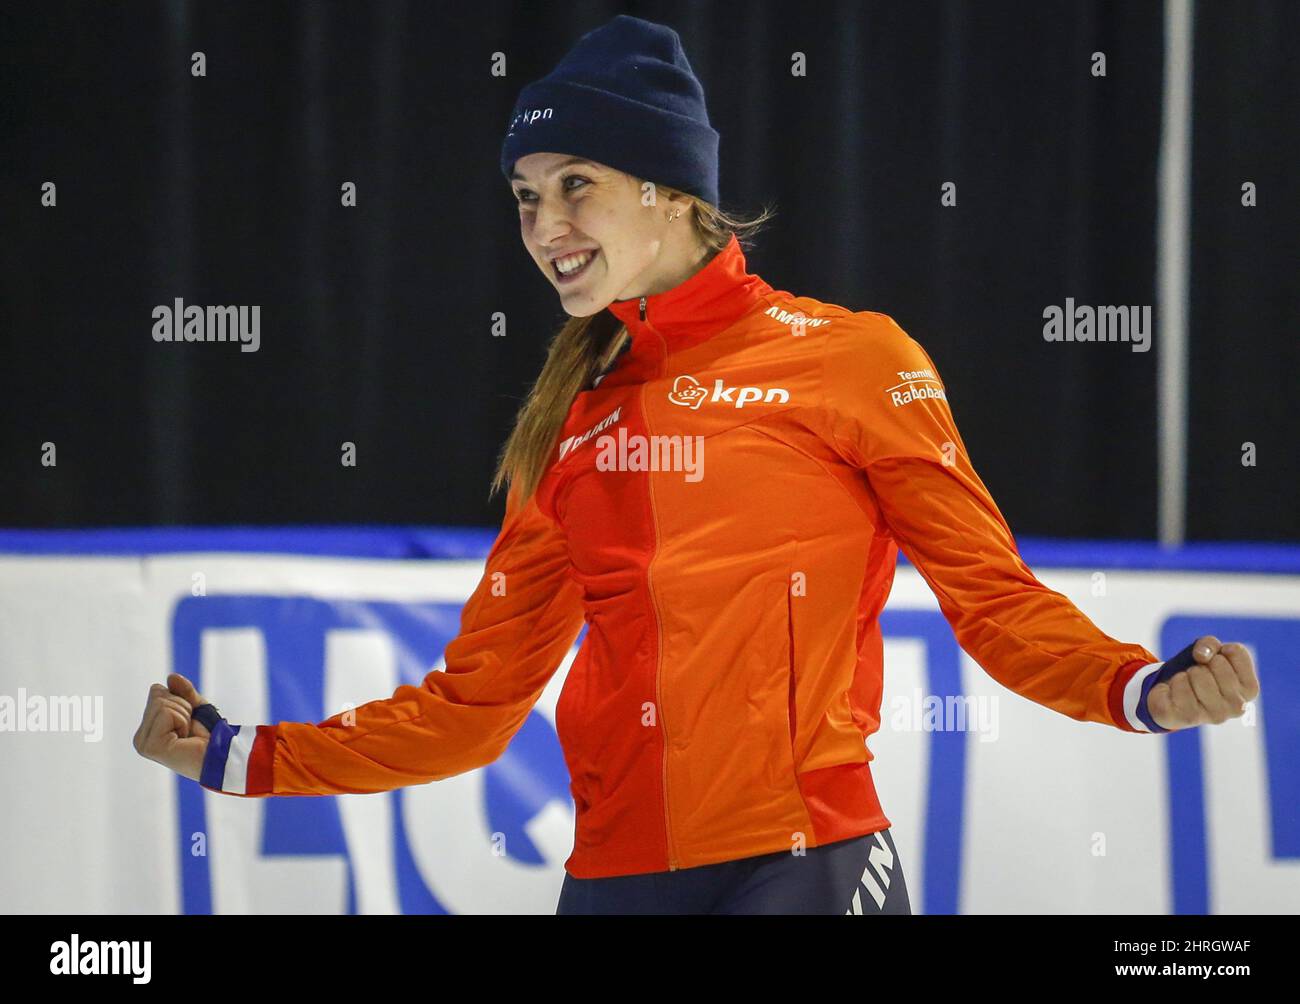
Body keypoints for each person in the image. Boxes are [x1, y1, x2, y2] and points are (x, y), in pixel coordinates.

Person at [134, 14, 1260, 915]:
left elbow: (995, 602)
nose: (542, 224)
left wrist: (1141, 687)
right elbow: (470, 709)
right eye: (526, 195)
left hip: (806, 861)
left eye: (575, 183)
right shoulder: (570, 416)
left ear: (671, 189)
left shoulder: (855, 360)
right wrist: (238, 756)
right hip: (616, 879)